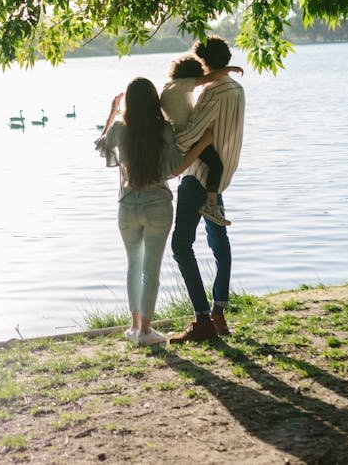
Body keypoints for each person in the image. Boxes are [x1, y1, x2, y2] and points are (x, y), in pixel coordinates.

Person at [96, 77, 214, 346]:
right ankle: (146, 331)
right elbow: (175, 168)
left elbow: (102, 145)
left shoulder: (119, 128)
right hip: (157, 205)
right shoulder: (164, 130)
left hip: (127, 206)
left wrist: (112, 112)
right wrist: (203, 143)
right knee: (150, 268)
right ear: (154, 101)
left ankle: (135, 327)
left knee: (133, 266)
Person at [169, 36, 246, 343]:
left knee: (180, 245)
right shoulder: (237, 90)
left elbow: (189, 136)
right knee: (219, 243)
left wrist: (168, 139)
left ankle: (202, 320)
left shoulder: (213, 92)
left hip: (196, 177)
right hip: (219, 177)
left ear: (204, 63)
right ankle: (219, 314)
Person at [161, 55, 244, 227]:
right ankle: (211, 205)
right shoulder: (181, 85)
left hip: (182, 136)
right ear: (190, 77)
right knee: (216, 165)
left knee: (211, 163)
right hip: (188, 138)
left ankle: (211, 204)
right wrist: (229, 70)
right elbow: (208, 78)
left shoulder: (170, 88)